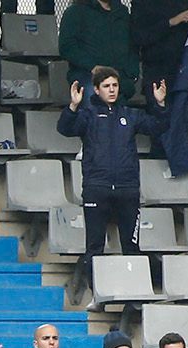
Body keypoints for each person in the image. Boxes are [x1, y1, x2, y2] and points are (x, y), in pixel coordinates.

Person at [57, 67, 167, 261]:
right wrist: (73, 107)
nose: (112, 90)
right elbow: (65, 129)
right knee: (94, 246)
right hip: (96, 187)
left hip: (128, 188)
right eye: (106, 86)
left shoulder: (130, 114)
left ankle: (133, 288)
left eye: (115, 85)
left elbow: (158, 127)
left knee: (132, 248)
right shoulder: (88, 114)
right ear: (97, 90)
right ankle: (93, 288)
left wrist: (160, 104)